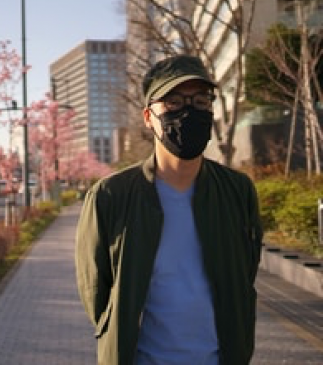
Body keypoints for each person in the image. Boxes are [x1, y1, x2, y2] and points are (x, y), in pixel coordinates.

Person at [75, 54, 263, 365]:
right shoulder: (111, 196)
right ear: (149, 116)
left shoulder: (237, 190)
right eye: (173, 102)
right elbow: (95, 289)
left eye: (201, 101)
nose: (189, 110)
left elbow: (245, 273)